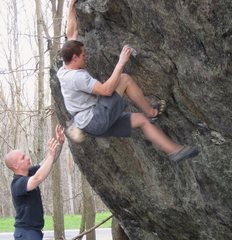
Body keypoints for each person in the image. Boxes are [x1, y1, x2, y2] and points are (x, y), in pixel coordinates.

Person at [57, 0, 199, 163]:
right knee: (124, 79)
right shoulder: (77, 77)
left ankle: (175, 151)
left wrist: (70, 7)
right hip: (96, 118)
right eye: (83, 55)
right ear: (74, 57)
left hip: (91, 126)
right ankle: (151, 112)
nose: (86, 57)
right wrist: (121, 62)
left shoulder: (65, 68)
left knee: (141, 121)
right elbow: (105, 90)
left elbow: (71, 33)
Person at [4, 125, 65, 240]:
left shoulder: (29, 172)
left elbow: (47, 163)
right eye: (23, 157)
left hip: (31, 234)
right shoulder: (18, 184)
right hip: (27, 235)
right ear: (16, 166)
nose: (28, 157)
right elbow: (38, 178)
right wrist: (50, 156)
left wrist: (59, 144)